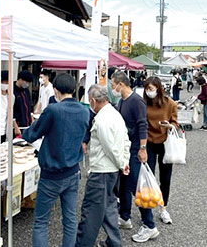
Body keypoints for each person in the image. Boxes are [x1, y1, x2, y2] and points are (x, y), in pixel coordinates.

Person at [22, 73, 89, 247]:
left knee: (41, 222)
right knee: (70, 220)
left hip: (52, 174)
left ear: (56, 91)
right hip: (73, 172)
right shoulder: (84, 110)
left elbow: (32, 134)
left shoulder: (53, 110)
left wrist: (24, 131)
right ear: (74, 90)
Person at [75, 85, 130, 247]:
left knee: (91, 211)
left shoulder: (102, 118)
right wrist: (124, 162)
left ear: (93, 100)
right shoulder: (116, 114)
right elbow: (125, 141)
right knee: (109, 207)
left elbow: (108, 146)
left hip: (102, 171)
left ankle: (83, 244)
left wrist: (121, 163)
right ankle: (114, 242)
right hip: (113, 170)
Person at [111, 71, 159, 243]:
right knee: (124, 184)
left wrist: (143, 148)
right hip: (126, 149)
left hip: (136, 149)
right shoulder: (121, 101)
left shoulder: (136, 100)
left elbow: (142, 124)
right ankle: (125, 217)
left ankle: (150, 225)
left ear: (121, 84)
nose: (112, 88)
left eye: (113, 84)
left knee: (137, 187)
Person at [143, 76, 178, 225]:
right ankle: (148, 209)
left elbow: (176, 123)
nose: (149, 91)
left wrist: (169, 125)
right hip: (149, 142)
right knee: (148, 176)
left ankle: (163, 208)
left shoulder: (170, 103)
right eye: (147, 89)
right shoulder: (144, 103)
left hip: (165, 143)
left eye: (151, 89)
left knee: (165, 178)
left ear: (158, 88)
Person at [13, 70, 33, 136]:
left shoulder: (26, 91)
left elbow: (30, 106)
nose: (27, 84)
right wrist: (15, 126)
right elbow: (11, 111)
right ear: (20, 79)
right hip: (18, 125)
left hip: (27, 124)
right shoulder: (13, 91)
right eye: (26, 82)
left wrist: (32, 120)